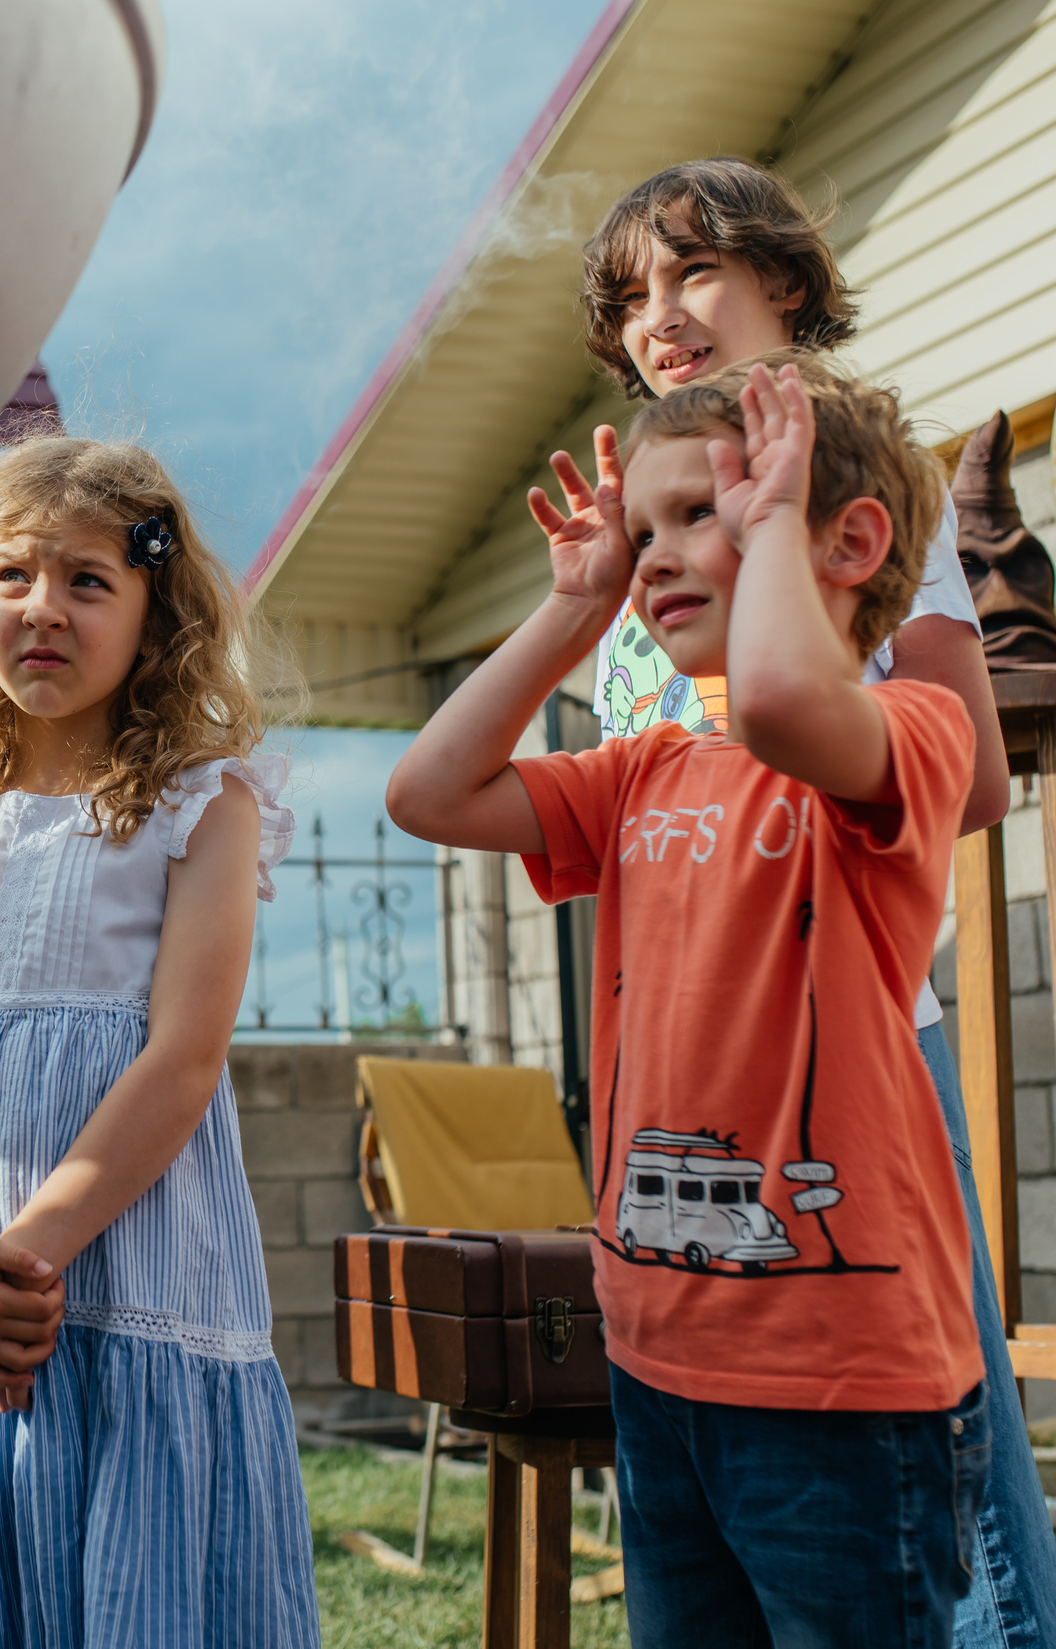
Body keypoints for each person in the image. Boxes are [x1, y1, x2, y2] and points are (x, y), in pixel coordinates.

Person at [387, 356, 987, 1645]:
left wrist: (770, 526)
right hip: (657, 1358)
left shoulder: (913, 730)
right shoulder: (639, 771)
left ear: (850, 541)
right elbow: (426, 791)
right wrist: (571, 610)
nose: (652, 552)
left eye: (700, 511)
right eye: (640, 526)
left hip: (839, 1380)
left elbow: (780, 699)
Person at [564, 158, 1056, 1649]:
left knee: (947, 1460)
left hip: (851, 1041)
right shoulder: (657, 530)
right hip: (686, 1064)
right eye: (629, 297)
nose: (659, 314)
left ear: (787, 284)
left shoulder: (849, 488)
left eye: (693, 273)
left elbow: (966, 774)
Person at [0, 437, 319, 1647]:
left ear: (154, 614)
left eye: (89, 579)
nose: (42, 607)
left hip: (124, 1261)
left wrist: (23, 1265)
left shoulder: (205, 802)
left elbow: (181, 1058)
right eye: (11, 575)